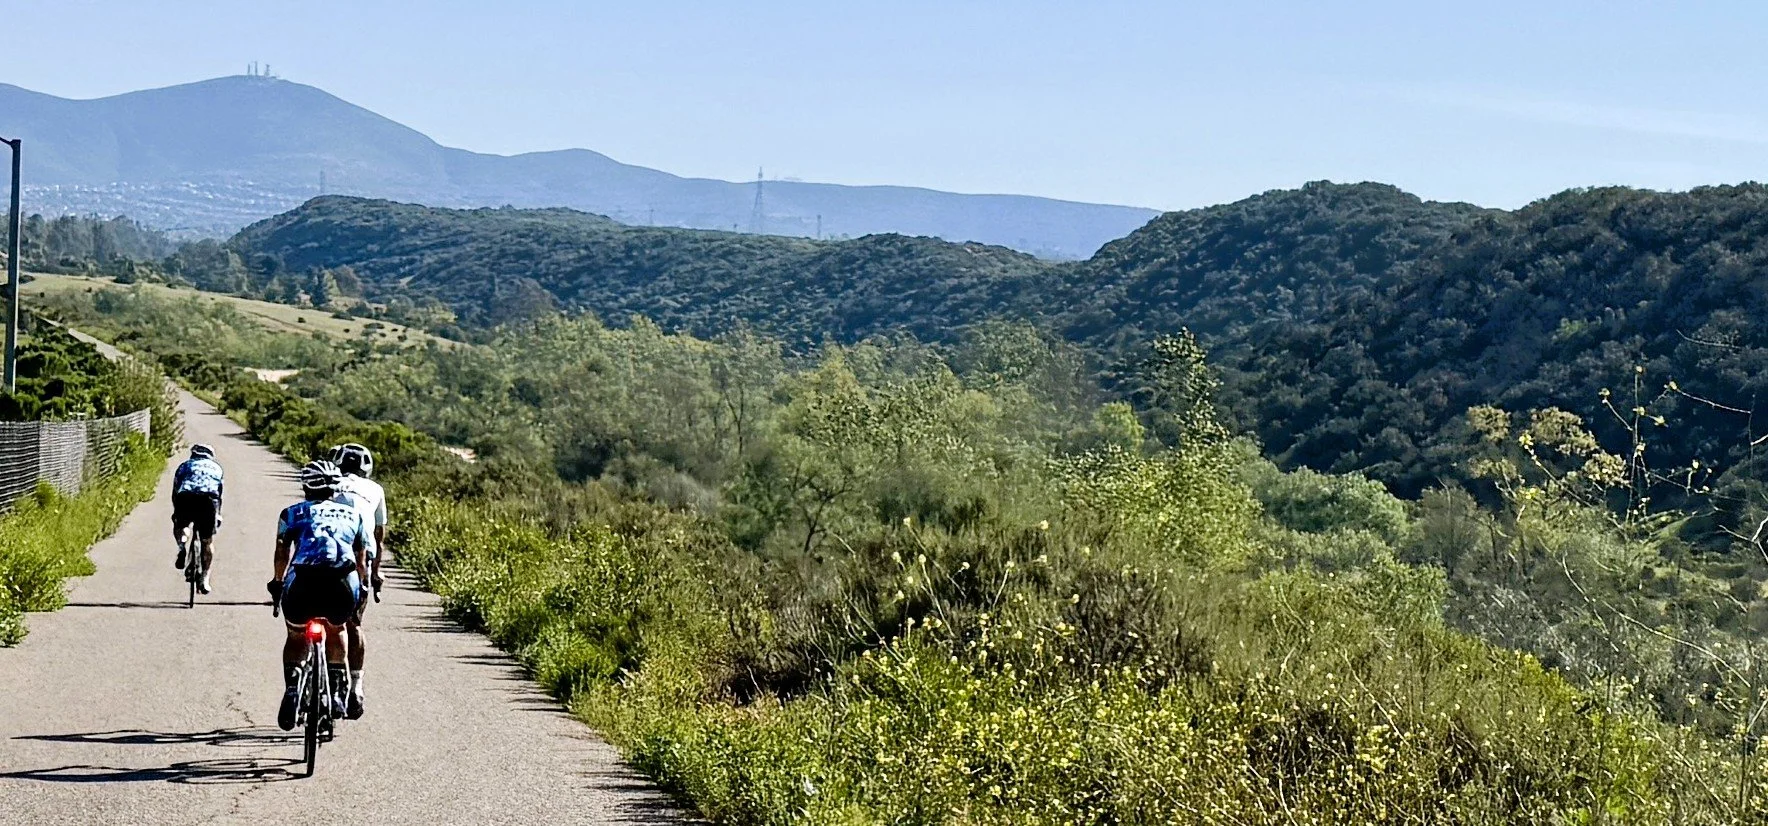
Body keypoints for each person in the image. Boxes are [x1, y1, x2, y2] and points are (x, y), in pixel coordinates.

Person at [267, 460, 370, 731]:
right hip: (341, 584)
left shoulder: (290, 513)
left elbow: (281, 554)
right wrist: (363, 589)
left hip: (302, 583)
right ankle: (336, 693)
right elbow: (361, 561)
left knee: (296, 635)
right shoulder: (354, 516)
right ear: (334, 487)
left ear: (305, 486)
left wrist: (278, 582)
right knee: (337, 631)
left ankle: (292, 690)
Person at [328, 443, 387, 719]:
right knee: (354, 624)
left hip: (326, 556)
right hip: (359, 562)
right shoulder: (375, 489)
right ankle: (356, 687)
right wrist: (376, 573)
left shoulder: (330, 481)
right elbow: (378, 536)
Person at [171, 444, 224, 594]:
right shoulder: (217, 468)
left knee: (182, 526)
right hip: (208, 501)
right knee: (207, 540)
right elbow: (219, 494)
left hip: (186, 498)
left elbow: (176, 490)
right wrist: (218, 514)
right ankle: (205, 577)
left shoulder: (184, 466)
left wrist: (177, 512)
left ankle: (181, 546)